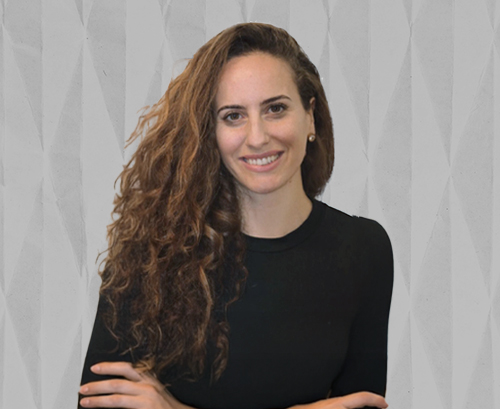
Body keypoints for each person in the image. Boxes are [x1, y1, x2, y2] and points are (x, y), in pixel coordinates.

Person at [78, 22, 393, 409]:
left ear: (310, 116)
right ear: (209, 132)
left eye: (275, 109)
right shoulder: (152, 251)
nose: (257, 137)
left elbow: (362, 404)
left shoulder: (363, 249)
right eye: (233, 116)